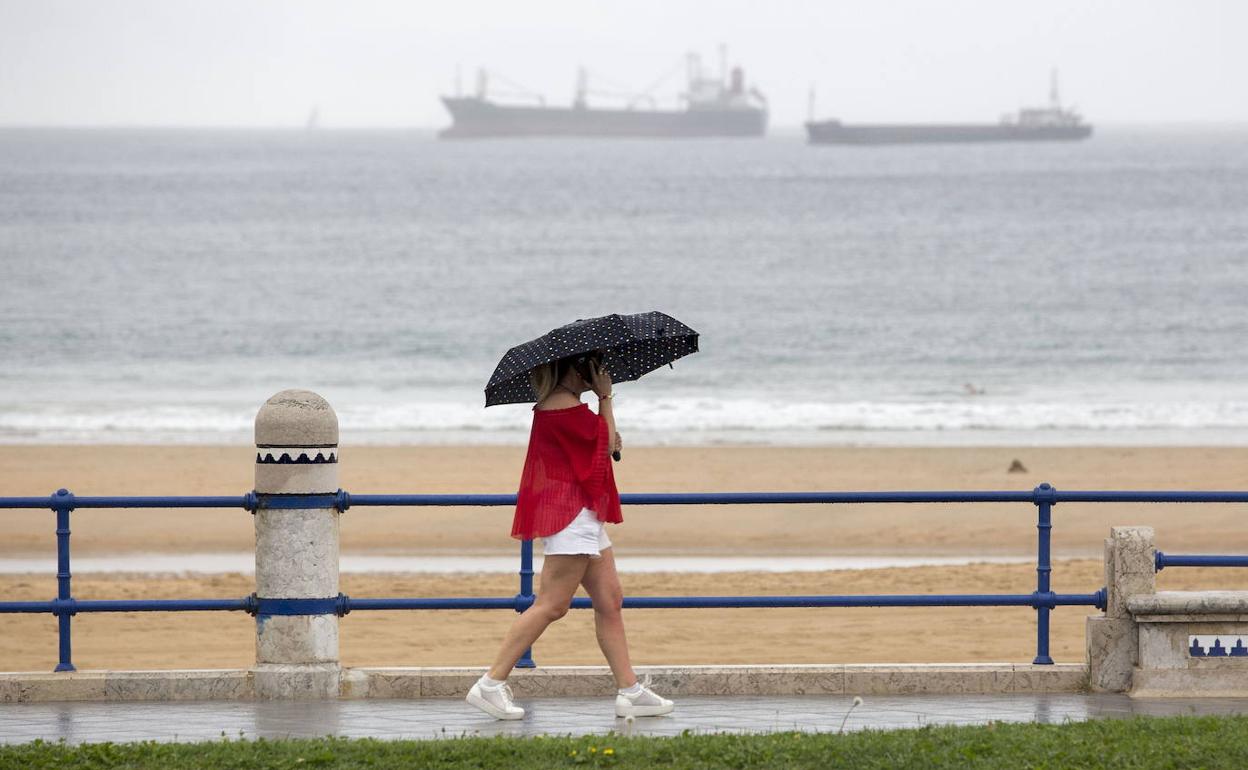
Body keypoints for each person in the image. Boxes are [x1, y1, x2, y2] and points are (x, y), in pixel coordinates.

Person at [466, 351, 674, 721]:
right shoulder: (566, 408)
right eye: (596, 366)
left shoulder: (564, 407)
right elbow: (607, 445)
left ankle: (630, 691)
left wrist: (604, 423)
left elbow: (600, 445)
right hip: (571, 515)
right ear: (579, 369)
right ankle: (489, 684)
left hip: (582, 514)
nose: (602, 373)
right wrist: (606, 399)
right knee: (552, 605)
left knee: (610, 600)